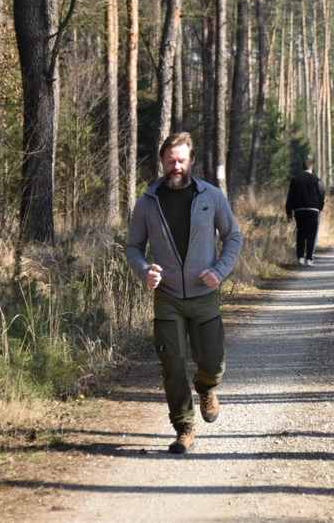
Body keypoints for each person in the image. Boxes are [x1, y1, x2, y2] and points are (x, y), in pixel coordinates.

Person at [125, 132, 243, 455]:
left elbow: (233, 237)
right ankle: (184, 428)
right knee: (172, 364)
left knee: (213, 361)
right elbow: (133, 247)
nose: (176, 166)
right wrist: (144, 270)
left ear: (191, 160)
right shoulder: (148, 202)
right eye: (170, 160)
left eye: (181, 160)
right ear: (162, 161)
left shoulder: (211, 197)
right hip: (168, 296)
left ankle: (206, 388)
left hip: (205, 293)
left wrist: (219, 272)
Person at [285, 157, 326, 266]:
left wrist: (289, 213)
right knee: (312, 234)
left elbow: (290, 197)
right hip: (313, 210)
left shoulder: (295, 179)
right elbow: (322, 195)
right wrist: (320, 208)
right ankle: (309, 258)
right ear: (312, 168)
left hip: (299, 210)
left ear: (302, 168)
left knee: (301, 233)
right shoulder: (316, 180)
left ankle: (300, 257)